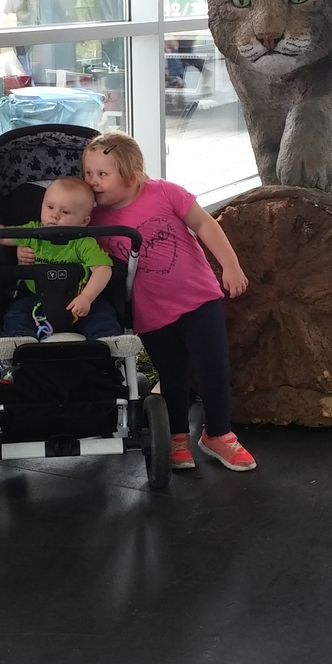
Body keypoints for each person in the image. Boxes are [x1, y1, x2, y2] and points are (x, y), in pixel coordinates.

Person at [74, 131, 256, 472]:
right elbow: (67, 243)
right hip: (152, 313)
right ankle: (175, 435)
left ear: (131, 176)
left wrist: (230, 265)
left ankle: (218, 433)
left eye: (102, 174)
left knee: (213, 368)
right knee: (172, 375)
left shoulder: (165, 192)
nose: (92, 181)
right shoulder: (92, 218)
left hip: (199, 298)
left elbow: (204, 224)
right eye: (88, 173)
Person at [0, 176, 121, 341]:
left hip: (77, 298)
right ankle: (18, 342)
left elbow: (103, 269)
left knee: (102, 313)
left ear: (84, 221)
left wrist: (87, 297)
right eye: (50, 207)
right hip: (36, 297)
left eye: (66, 211)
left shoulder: (83, 242)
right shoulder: (32, 233)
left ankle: (109, 340)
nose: (55, 215)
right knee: (17, 313)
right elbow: (2, 235)